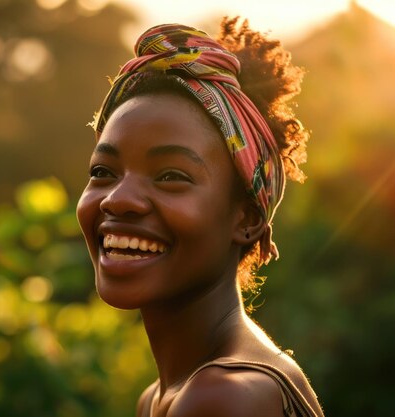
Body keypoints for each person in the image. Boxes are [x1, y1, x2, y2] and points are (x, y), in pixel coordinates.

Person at [76, 17, 324, 417]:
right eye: (103, 172)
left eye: (171, 176)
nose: (118, 200)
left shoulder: (222, 398)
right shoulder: (161, 397)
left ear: (247, 219)